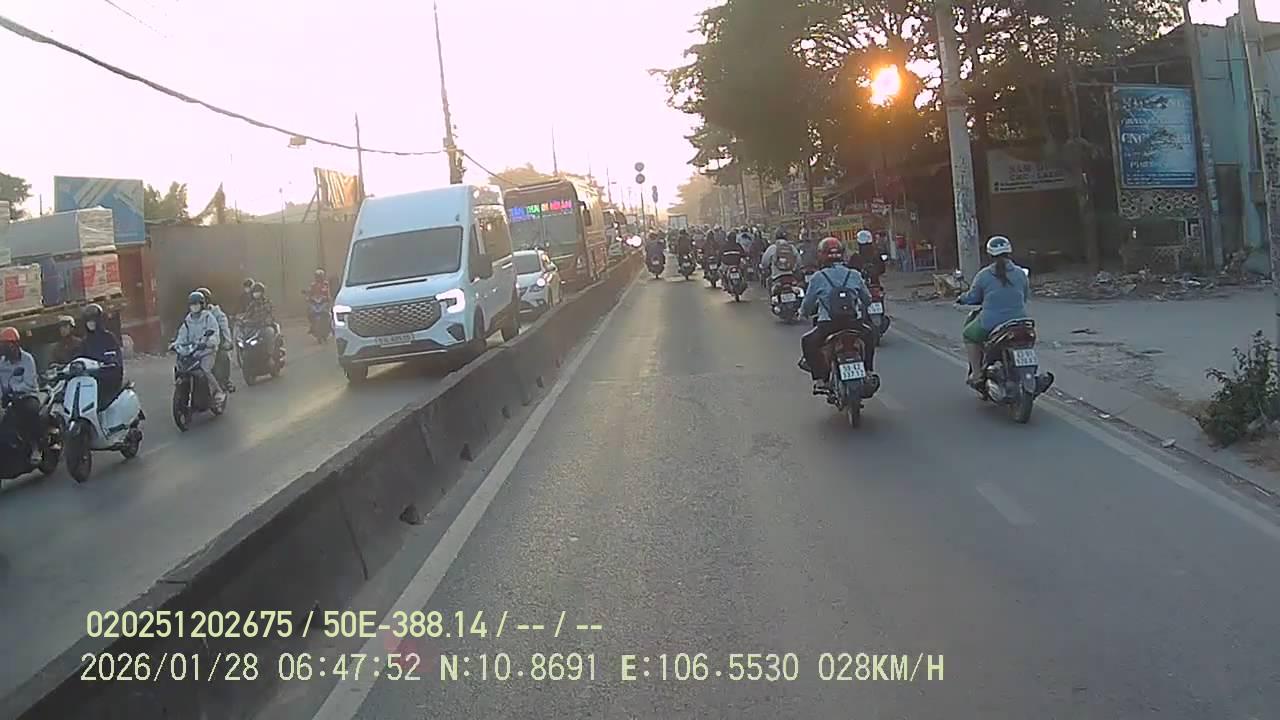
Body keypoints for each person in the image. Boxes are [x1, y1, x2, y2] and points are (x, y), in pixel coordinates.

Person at [799, 237, 878, 395]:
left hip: (828, 325)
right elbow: (867, 300)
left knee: (807, 342)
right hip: (853, 323)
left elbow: (807, 304)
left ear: (821, 256)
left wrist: (803, 314)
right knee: (870, 336)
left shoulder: (818, 278)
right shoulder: (854, 275)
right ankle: (868, 371)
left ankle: (820, 380)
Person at [957, 235, 1031, 386]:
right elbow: (1024, 296)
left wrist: (961, 298)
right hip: (1021, 321)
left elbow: (973, 297)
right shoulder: (1021, 273)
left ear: (989, 255)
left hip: (991, 322)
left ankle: (977, 374)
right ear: (1009, 252)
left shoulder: (984, 275)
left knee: (969, 335)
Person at [175, 290, 226, 404]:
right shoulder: (187, 321)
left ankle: (218, 391)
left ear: (202, 305)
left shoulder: (209, 318)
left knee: (205, 369)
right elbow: (182, 335)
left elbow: (214, 333)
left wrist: (209, 342)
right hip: (192, 352)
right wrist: (176, 344)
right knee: (181, 369)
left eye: (196, 304)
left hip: (207, 351)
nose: (194, 307)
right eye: (192, 304)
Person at [0, 327, 41, 462]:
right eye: (3, 345)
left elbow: (29, 383)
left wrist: (13, 389)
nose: (4, 348)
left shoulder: (27, 359)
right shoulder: (2, 363)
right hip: (8, 398)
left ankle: (35, 447)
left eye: (7, 345)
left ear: (15, 344)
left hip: (27, 396)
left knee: (30, 411)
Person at [79, 303, 125, 406]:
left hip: (108, 379)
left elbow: (116, 358)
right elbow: (79, 358)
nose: (90, 323)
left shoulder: (109, 338)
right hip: (90, 381)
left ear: (99, 320)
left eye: (93, 320)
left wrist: (109, 362)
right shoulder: (85, 342)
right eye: (88, 321)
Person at [198, 287, 235, 393]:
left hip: (215, 344)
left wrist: (228, 341)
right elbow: (185, 330)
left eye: (201, 301)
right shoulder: (192, 316)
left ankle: (225, 381)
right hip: (198, 346)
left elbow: (224, 328)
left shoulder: (216, 313)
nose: (199, 305)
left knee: (224, 356)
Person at [242, 281, 280, 355]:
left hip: (265, 326)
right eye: (254, 292)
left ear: (262, 292)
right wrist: (244, 320)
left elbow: (271, 314)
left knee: (269, 333)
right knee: (245, 335)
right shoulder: (252, 304)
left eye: (258, 291)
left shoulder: (267, 302)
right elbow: (247, 314)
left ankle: (270, 354)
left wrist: (267, 321)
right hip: (255, 326)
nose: (256, 294)